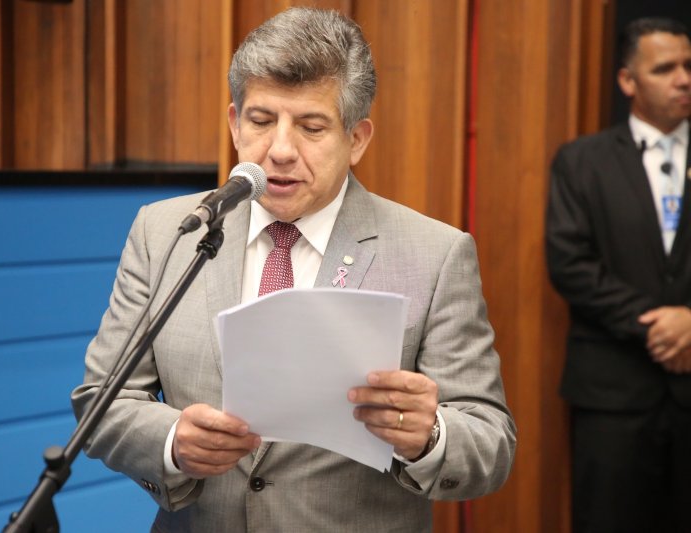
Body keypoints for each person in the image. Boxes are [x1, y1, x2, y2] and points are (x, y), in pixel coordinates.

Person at [73, 7, 515, 532]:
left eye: (311, 127)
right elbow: (102, 401)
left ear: (357, 139)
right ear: (235, 124)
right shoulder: (168, 230)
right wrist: (171, 444)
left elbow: (490, 442)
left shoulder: (435, 253)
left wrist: (430, 436)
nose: (280, 151)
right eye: (261, 121)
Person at [546, 16, 691, 533]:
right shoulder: (581, 161)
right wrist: (660, 324)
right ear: (628, 81)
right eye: (665, 69)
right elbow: (571, 264)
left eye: (689, 66)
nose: (684, 79)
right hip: (612, 395)